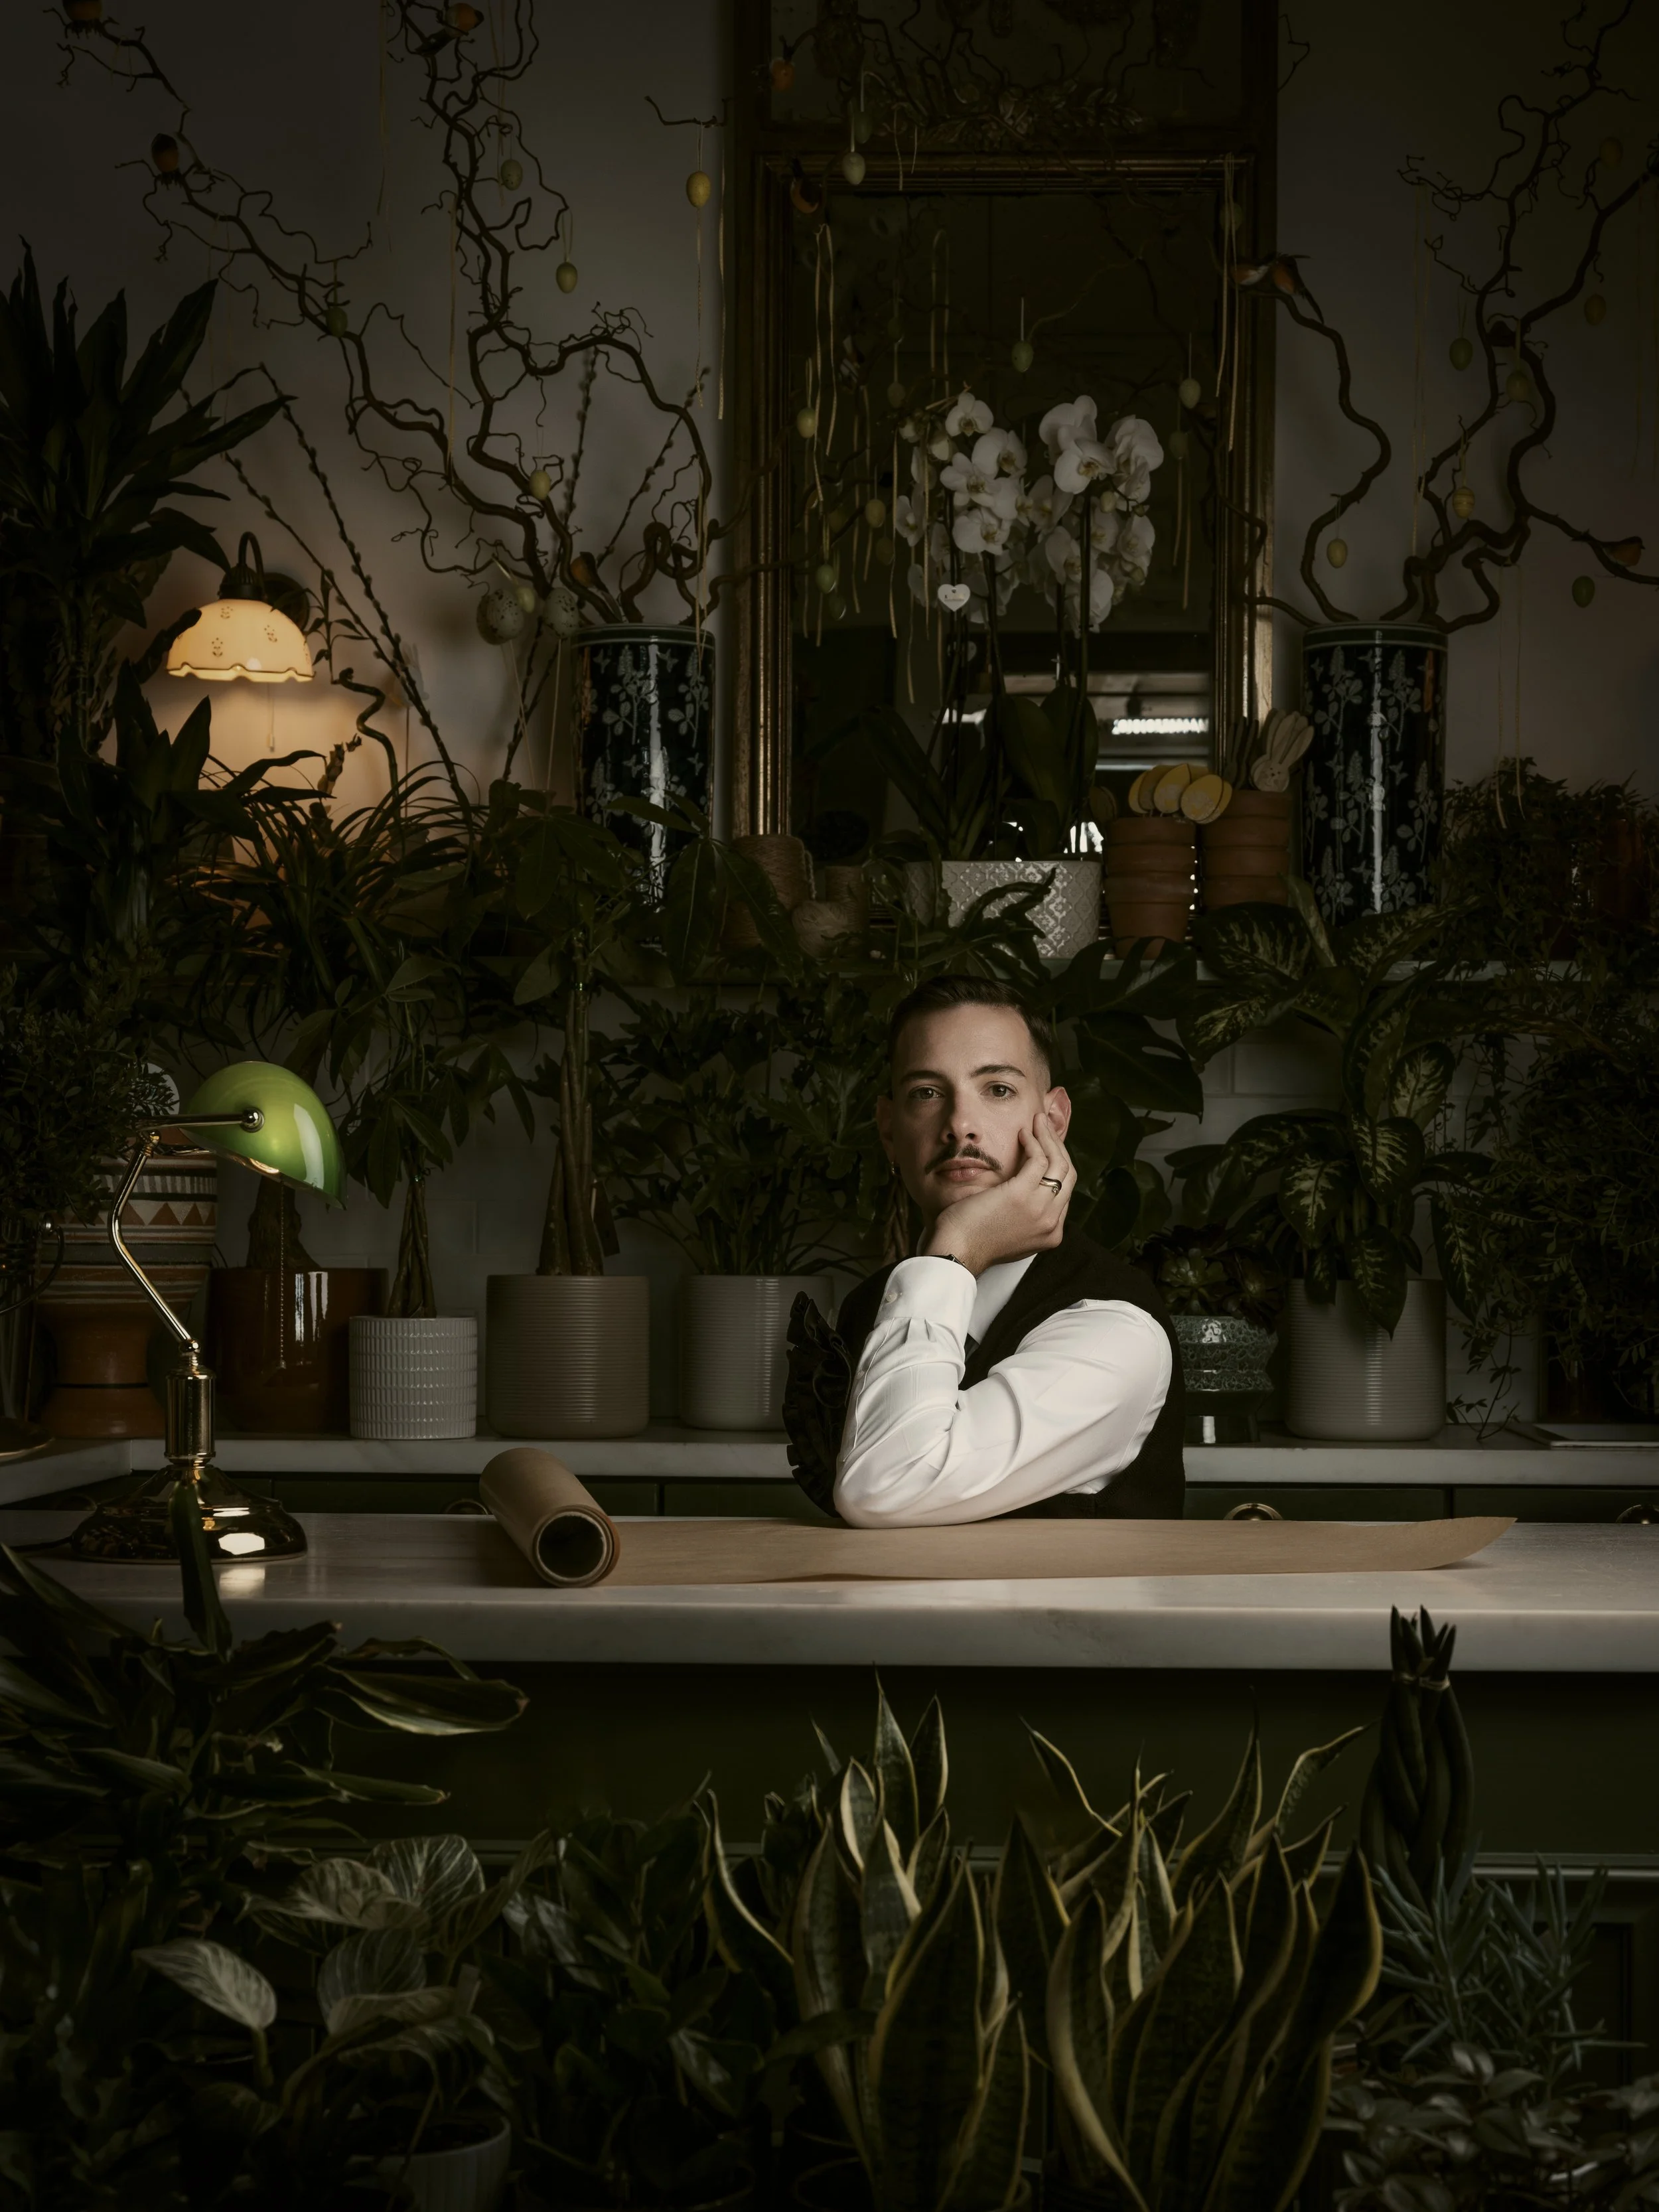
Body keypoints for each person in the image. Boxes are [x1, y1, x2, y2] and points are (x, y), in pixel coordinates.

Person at [828, 975, 1184, 1526]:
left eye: (997, 1089)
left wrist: (957, 1248)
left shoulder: (1114, 1329)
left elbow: (885, 1487)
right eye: (926, 1092)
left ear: (1055, 1121)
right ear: (889, 1132)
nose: (960, 1126)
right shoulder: (871, 1308)